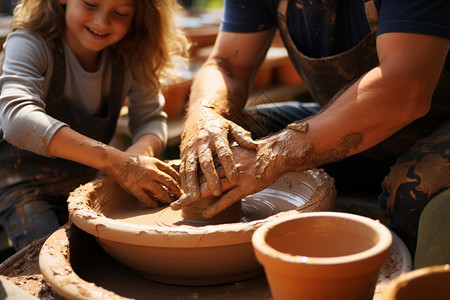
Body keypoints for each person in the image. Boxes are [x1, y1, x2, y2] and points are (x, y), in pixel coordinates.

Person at [171, 0, 450, 268]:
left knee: (416, 187)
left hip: (438, 123)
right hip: (356, 127)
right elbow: (227, 64)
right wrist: (204, 114)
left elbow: (405, 87)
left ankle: (395, 278)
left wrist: (276, 152)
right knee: (227, 143)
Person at [0, 0, 189, 251]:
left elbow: (150, 120)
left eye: (121, 12)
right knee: (53, 257)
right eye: (90, 3)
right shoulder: (31, 42)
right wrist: (117, 163)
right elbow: (16, 119)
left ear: (139, 16)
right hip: (22, 183)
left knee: (117, 249)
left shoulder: (131, 52)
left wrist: (135, 158)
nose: (101, 21)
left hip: (88, 177)